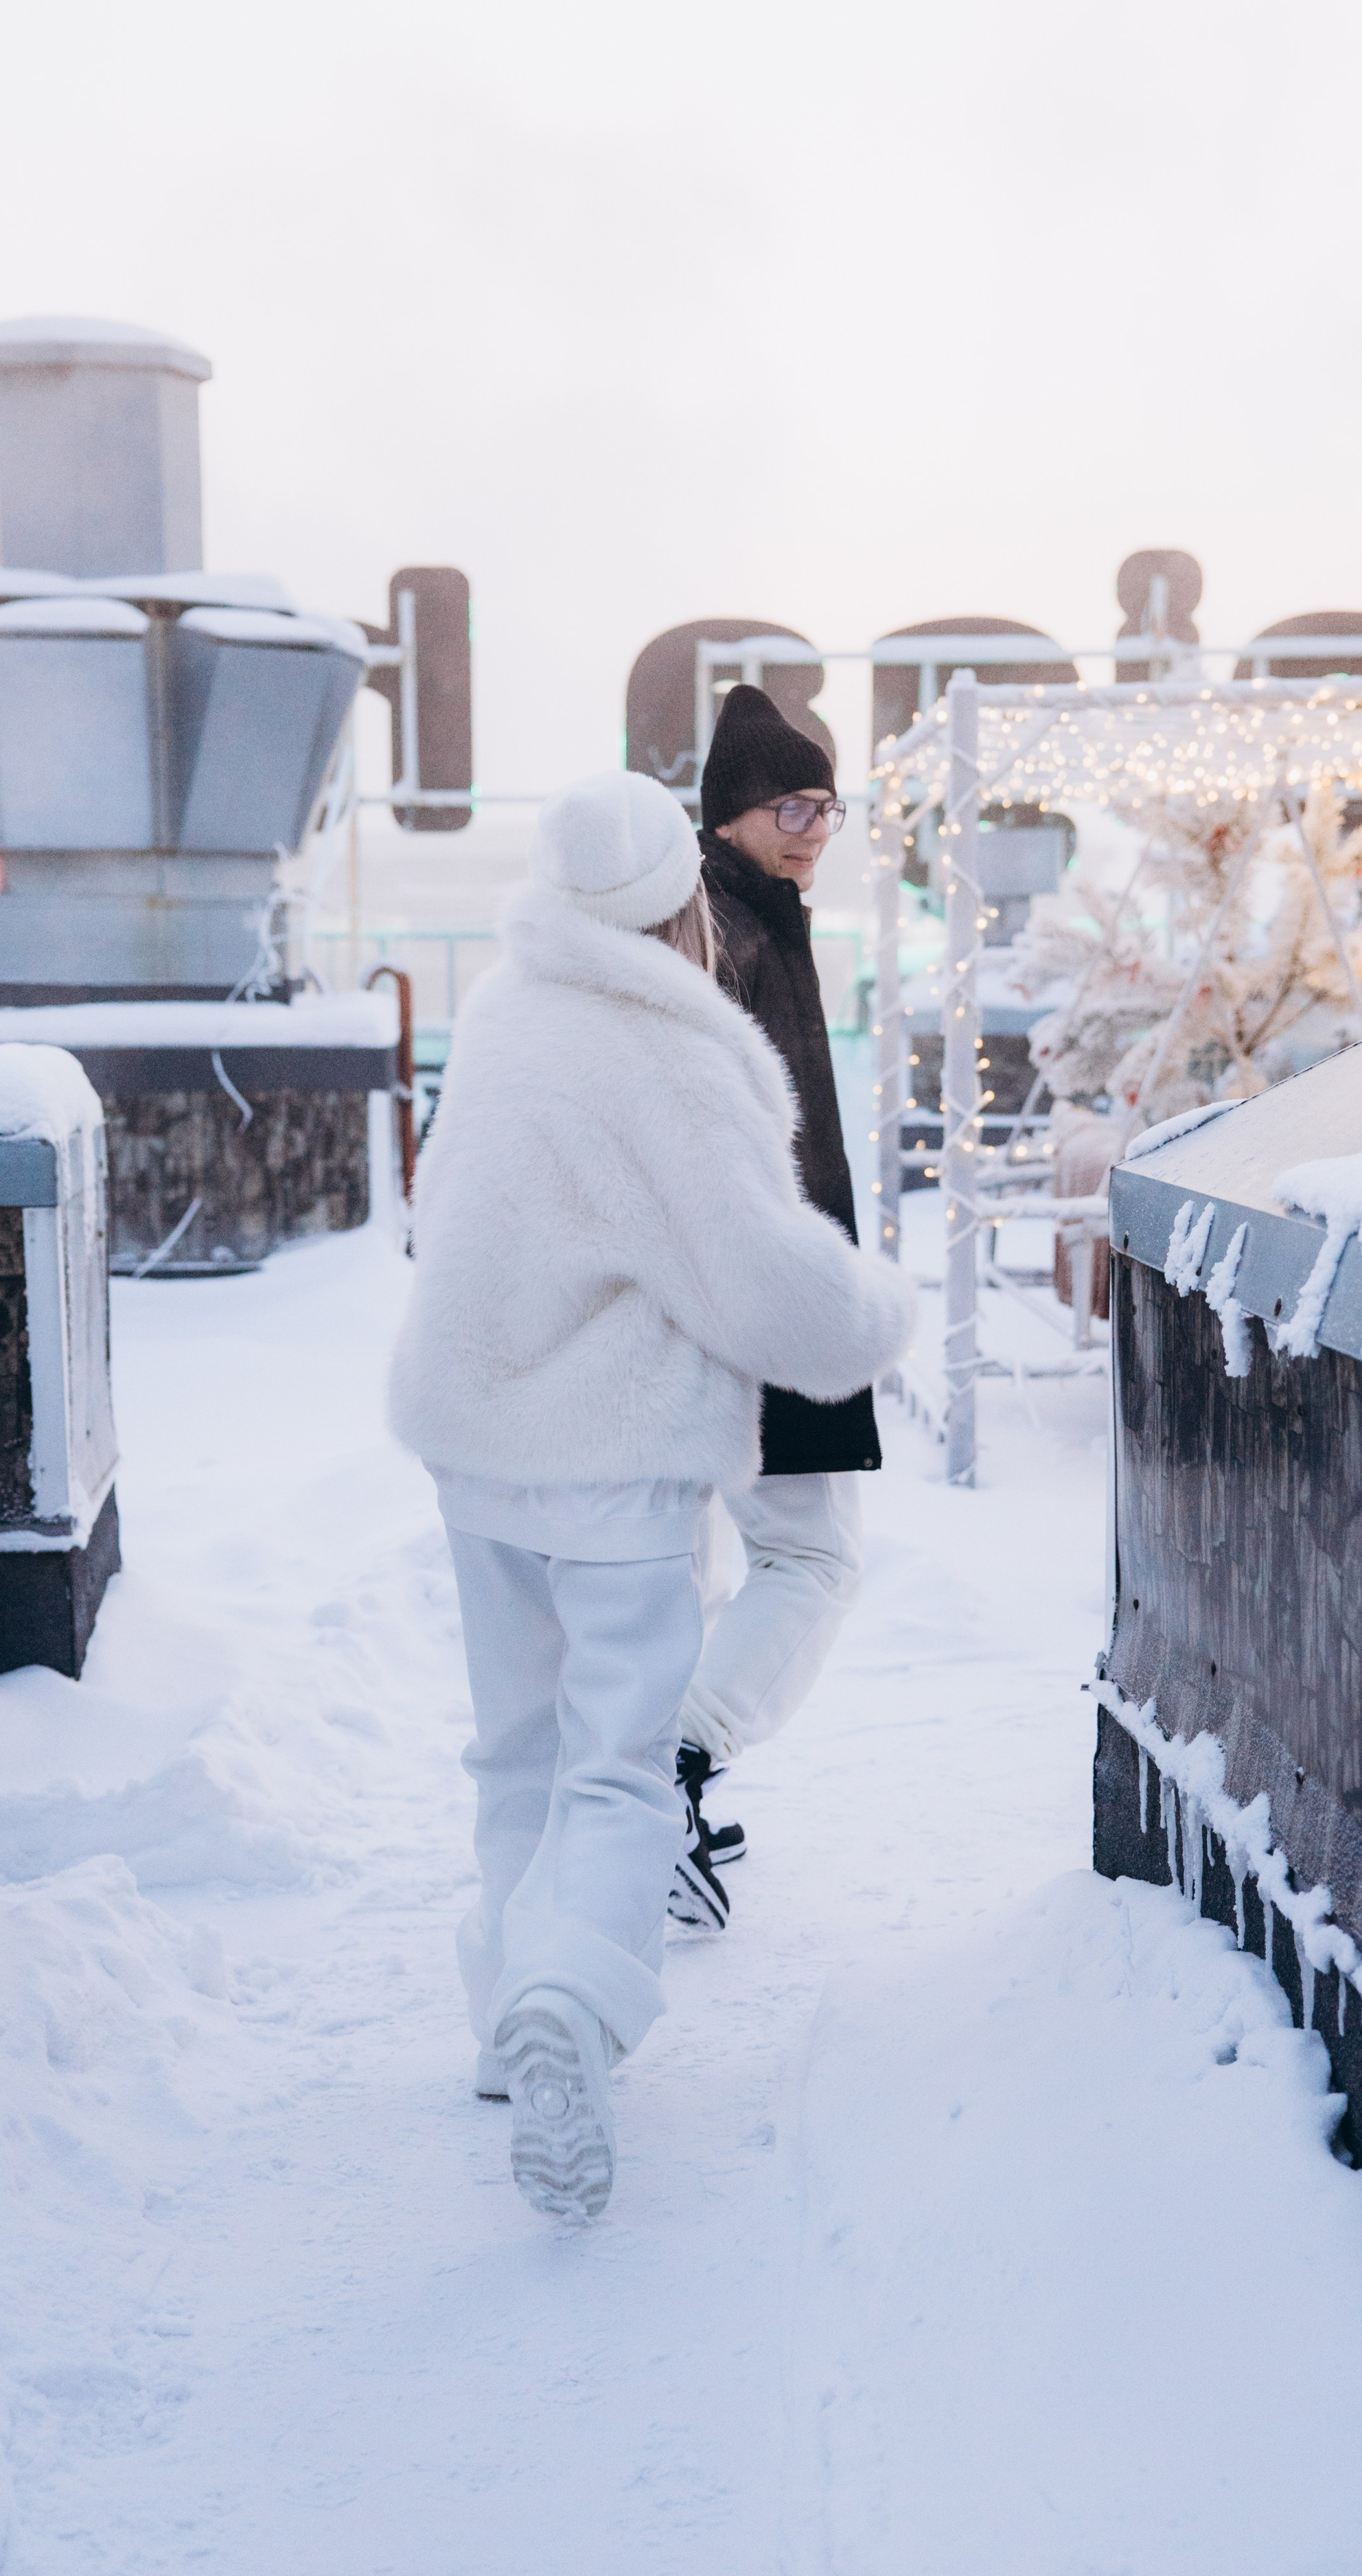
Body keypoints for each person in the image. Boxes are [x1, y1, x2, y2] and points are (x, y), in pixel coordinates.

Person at [389, 769, 916, 2222]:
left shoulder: (503, 1015)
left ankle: (508, 2018)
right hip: (611, 1463)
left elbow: (445, 1214)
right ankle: (571, 2001)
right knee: (614, 1766)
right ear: (679, 901)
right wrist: (877, 1312)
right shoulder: (677, 1053)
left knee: (514, 1751)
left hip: (471, 1446)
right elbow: (762, 1283)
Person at [673, 682, 882, 1902]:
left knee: (705, 1565)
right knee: (813, 1558)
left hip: (746, 1291)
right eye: (790, 806)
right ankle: (674, 1770)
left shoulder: (747, 918)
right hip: (758, 1298)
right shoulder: (728, 935)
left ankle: (650, 1789)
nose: (812, 829)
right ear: (731, 818)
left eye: (826, 807)